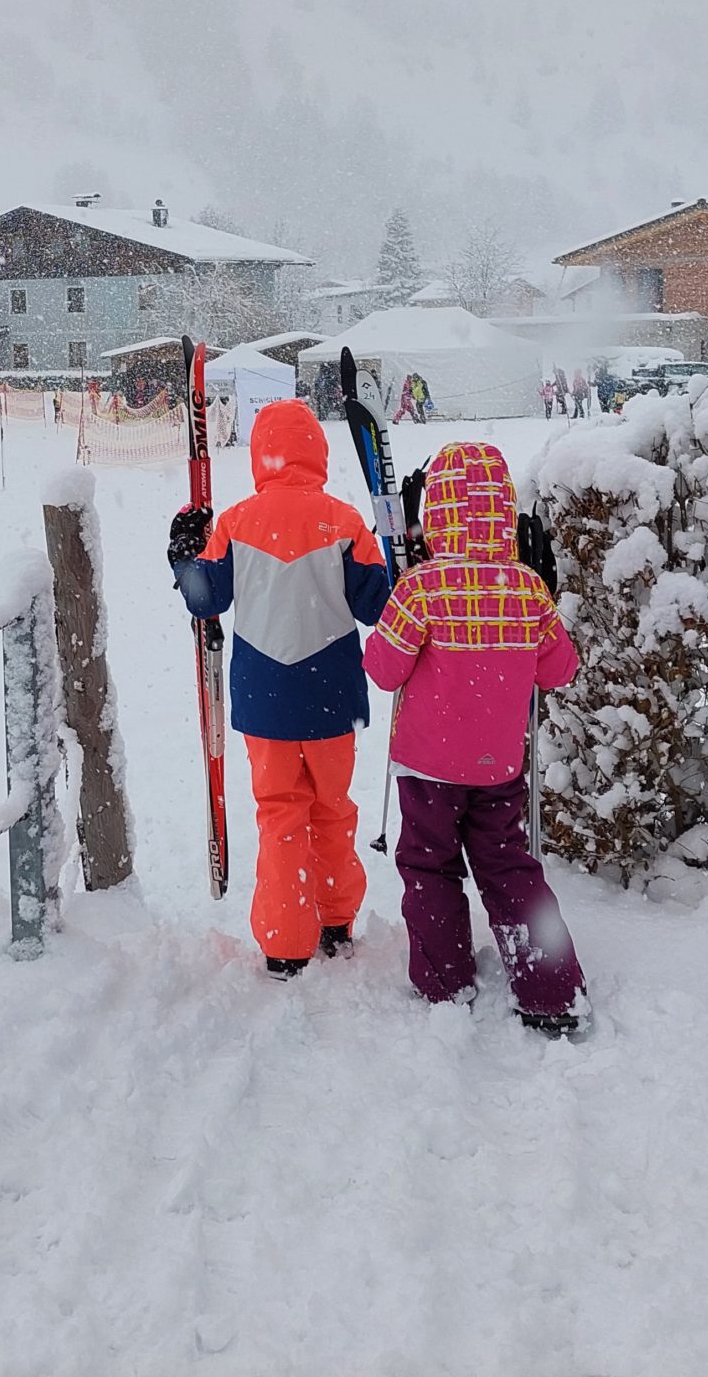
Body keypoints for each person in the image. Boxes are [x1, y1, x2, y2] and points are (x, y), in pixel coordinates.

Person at [363, 440, 590, 1038]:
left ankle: (445, 981)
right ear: (502, 511)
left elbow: (382, 669)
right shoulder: (526, 589)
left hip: (427, 767)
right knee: (508, 867)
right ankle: (550, 988)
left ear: (434, 510)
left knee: (430, 867)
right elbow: (560, 671)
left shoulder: (421, 588)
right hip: (498, 766)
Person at [171, 399, 393, 977]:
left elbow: (206, 599)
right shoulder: (342, 521)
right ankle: (337, 918)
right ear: (317, 451)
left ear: (259, 456)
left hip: (264, 698)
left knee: (280, 817)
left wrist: (182, 556)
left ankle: (285, 940)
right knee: (333, 809)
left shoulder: (237, 522)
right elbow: (377, 606)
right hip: (333, 696)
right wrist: (388, 554)